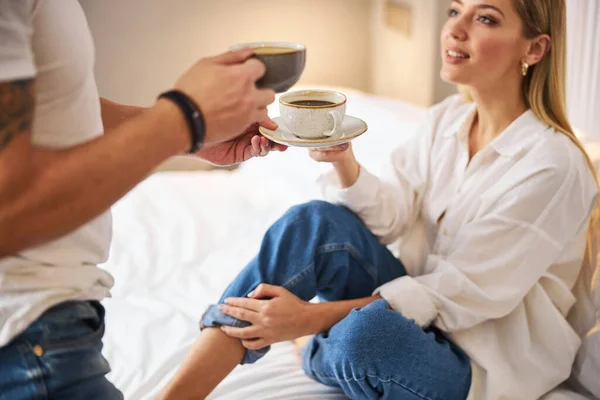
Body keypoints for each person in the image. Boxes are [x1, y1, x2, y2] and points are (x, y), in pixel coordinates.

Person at [158, 0, 600, 399]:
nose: (455, 29)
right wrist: (342, 158)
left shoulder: (552, 166)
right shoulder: (446, 120)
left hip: (479, 364)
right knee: (313, 222)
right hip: (412, 305)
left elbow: (458, 295)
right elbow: (390, 220)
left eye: (485, 18)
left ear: (535, 49)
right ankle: (176, 395)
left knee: (367, 337)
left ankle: (307, 347)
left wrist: (308, 322)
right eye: (453, 11)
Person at [0, 1, 286, 398]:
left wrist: (194, 135)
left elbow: (57, 112)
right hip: (29, 338)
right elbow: (9, 210)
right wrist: (184, 115)